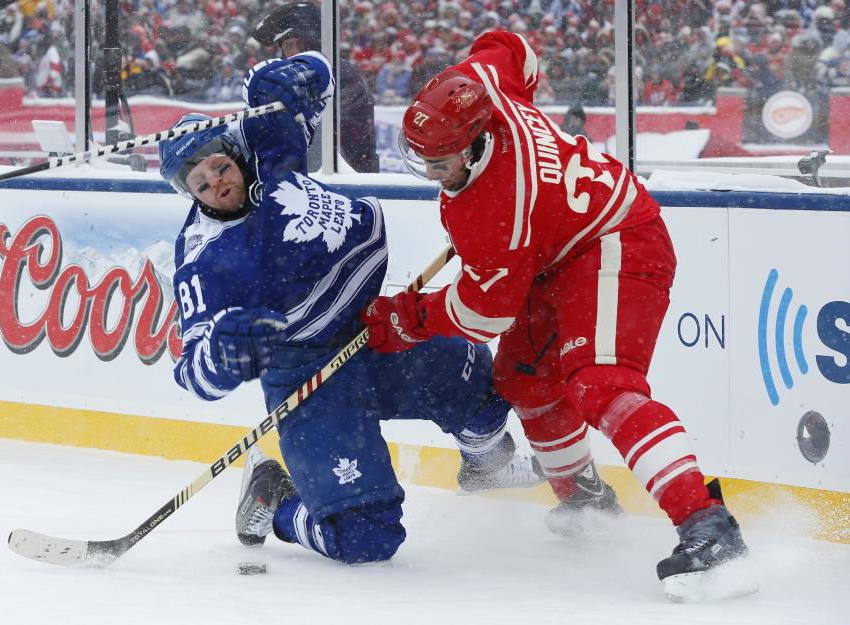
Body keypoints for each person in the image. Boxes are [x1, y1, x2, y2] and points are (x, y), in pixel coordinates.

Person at [361, 31, 757, 602]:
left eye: (439, 164)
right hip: (555, 253)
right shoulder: (483, 86)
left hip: (618, 240)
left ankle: (706, 525)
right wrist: (473, 68)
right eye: (418, 158)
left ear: (473, 147)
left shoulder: (495, 207)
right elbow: (511, 47)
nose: (430, 174)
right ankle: (586, 501)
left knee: (601, 384)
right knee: (523, 379)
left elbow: (481, 314)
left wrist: (407, 317)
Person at [159, 49, 541, 565]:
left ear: (234, 153)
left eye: (221, 167)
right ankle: (279, 502)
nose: (218, 184)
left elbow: (320, 74)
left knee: (479, 379)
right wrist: (225, 356)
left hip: (372, 329)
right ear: (188, 193)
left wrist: (290, 78)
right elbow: (192, 372)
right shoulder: (205, 260)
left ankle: (486, 468)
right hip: (309, 379)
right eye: (201, 184)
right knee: (366, 540)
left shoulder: (266, 145)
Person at [251, 1, 380, 173]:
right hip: (313, 184)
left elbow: (326, 141)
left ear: (313, 42)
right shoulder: (295, 81)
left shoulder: (339, 76)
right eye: (287, 46)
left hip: (341, 185)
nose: (292, 53)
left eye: (296, 44)